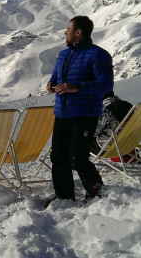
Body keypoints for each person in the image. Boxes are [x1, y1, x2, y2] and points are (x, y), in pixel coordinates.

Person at [46, 15, 114, 203]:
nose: (65, 33)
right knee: (58, 157)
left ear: (78, 32)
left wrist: (76, 87)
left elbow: (105, 85)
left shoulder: (98, 55)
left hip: (85, 113)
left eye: (68, 30)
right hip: (62, 113)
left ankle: (96, 191)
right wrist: (52, 85)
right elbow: (55, 78)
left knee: (78, 157)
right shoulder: (63, 55)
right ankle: (64, 197)